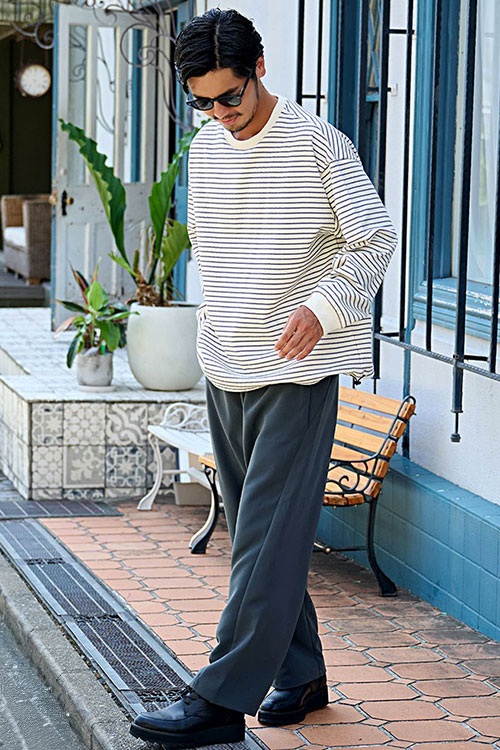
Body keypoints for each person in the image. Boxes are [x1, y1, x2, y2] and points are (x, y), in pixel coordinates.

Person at [130, 7, 397, 748]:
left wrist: (323, 307)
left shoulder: (318, 143)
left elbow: (375, 238)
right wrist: (214, 335)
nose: (220, 114)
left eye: (230, 97)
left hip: (295, 373)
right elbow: (218, 255)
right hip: (226, 366)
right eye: (204, 103)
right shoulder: (206, 149)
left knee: (262, 543)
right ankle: (302, 674)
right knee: (265, 538)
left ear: (260, 70)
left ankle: (220, 699)